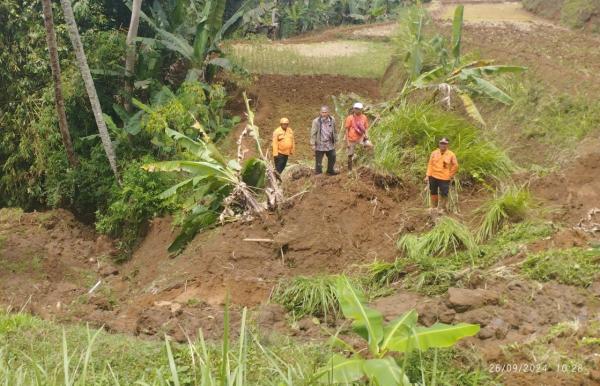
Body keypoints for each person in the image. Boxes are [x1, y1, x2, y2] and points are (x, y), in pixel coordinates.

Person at [424, 137, 459, 213]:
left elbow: (455, 165)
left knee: (444, 193)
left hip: (444, 178)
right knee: (433, 192)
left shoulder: (451, 154)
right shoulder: (434, 153)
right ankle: (434, 207)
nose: (443, 145)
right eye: (441, 143)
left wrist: (450, 175)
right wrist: (427, 175)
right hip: (433, 176)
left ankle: (442, 209)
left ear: (447, 145)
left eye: (445, 144)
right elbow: (430, 164)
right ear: (439, 144)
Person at [344, 102, 373, 171]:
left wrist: (367, 136)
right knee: (350, 154)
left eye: (359, 109)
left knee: (370, 146)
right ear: (353, 109)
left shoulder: (364, 117)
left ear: (361, 109)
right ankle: (350, 170)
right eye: (356, 109)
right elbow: (346, 130)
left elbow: (366, 128)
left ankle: (368, 165)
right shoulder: (350, 118)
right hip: (351, 139)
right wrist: (347, 142)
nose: (357, 110)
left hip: (361, 138)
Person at [310, 105, 338, 175]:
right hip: (320, 143)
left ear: (328, 112)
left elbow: (335, 130)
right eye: (323, 112)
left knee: (333, 156)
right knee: (319, 159)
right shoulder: (316, 121)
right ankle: (318, 172)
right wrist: (313, 144)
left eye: (325, 112)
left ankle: (330, 171)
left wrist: (336, 140)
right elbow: (313, 133)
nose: (324, 114)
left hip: (329, 143)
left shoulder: (332, 120)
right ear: (320, 112)